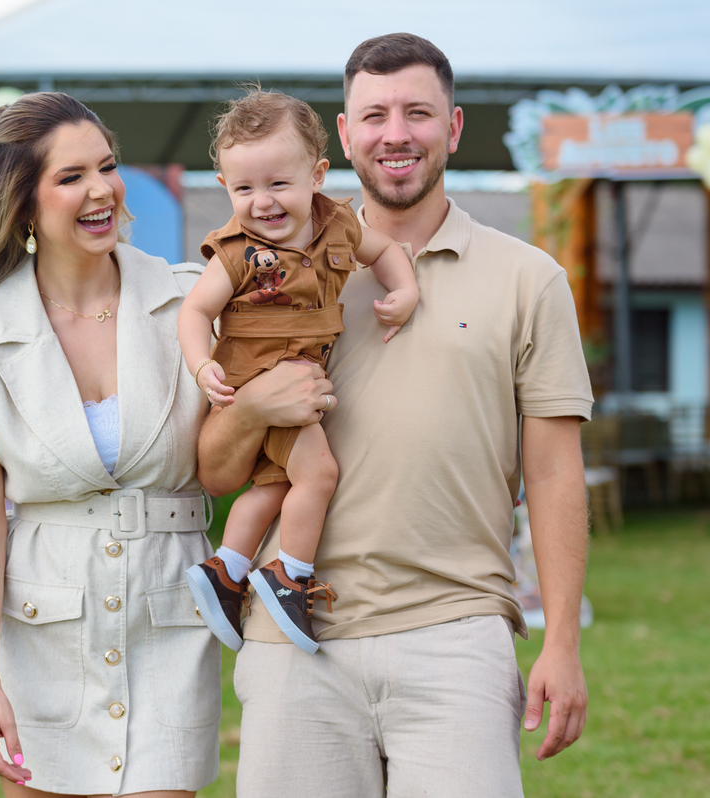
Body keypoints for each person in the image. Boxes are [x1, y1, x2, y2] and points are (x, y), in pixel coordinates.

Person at [197, 34, 593, 797]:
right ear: (344, 137)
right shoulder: (262, 270)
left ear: (453, 127)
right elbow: (214, 471)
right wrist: (251, 405)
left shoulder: (528, 279)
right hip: (294, 640)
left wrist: (564, 643)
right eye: (373, 114)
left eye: (418, 112)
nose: (395, 133)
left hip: (457, 632)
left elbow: (551, 472)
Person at [0, 92, 220, 798]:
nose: (101, 189)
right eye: (70, 176)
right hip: (38, 639)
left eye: (106, 167)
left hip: (169, 615)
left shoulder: (191, 304)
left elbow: (227, 461)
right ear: (23, 203)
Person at [177, 88, 417, 655]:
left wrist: (404, 289)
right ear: (224, 189)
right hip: (265, 379)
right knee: (320, 476)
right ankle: (290, 576)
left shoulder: (338, 226)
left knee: (277, 483)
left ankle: (227, 570)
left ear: (317, 175)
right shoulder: (236, 252)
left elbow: (384, 251)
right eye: (244, 188)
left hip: (299, 383)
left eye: (279, 183)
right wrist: (200, 362)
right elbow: (196, 311)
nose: (263, 202)